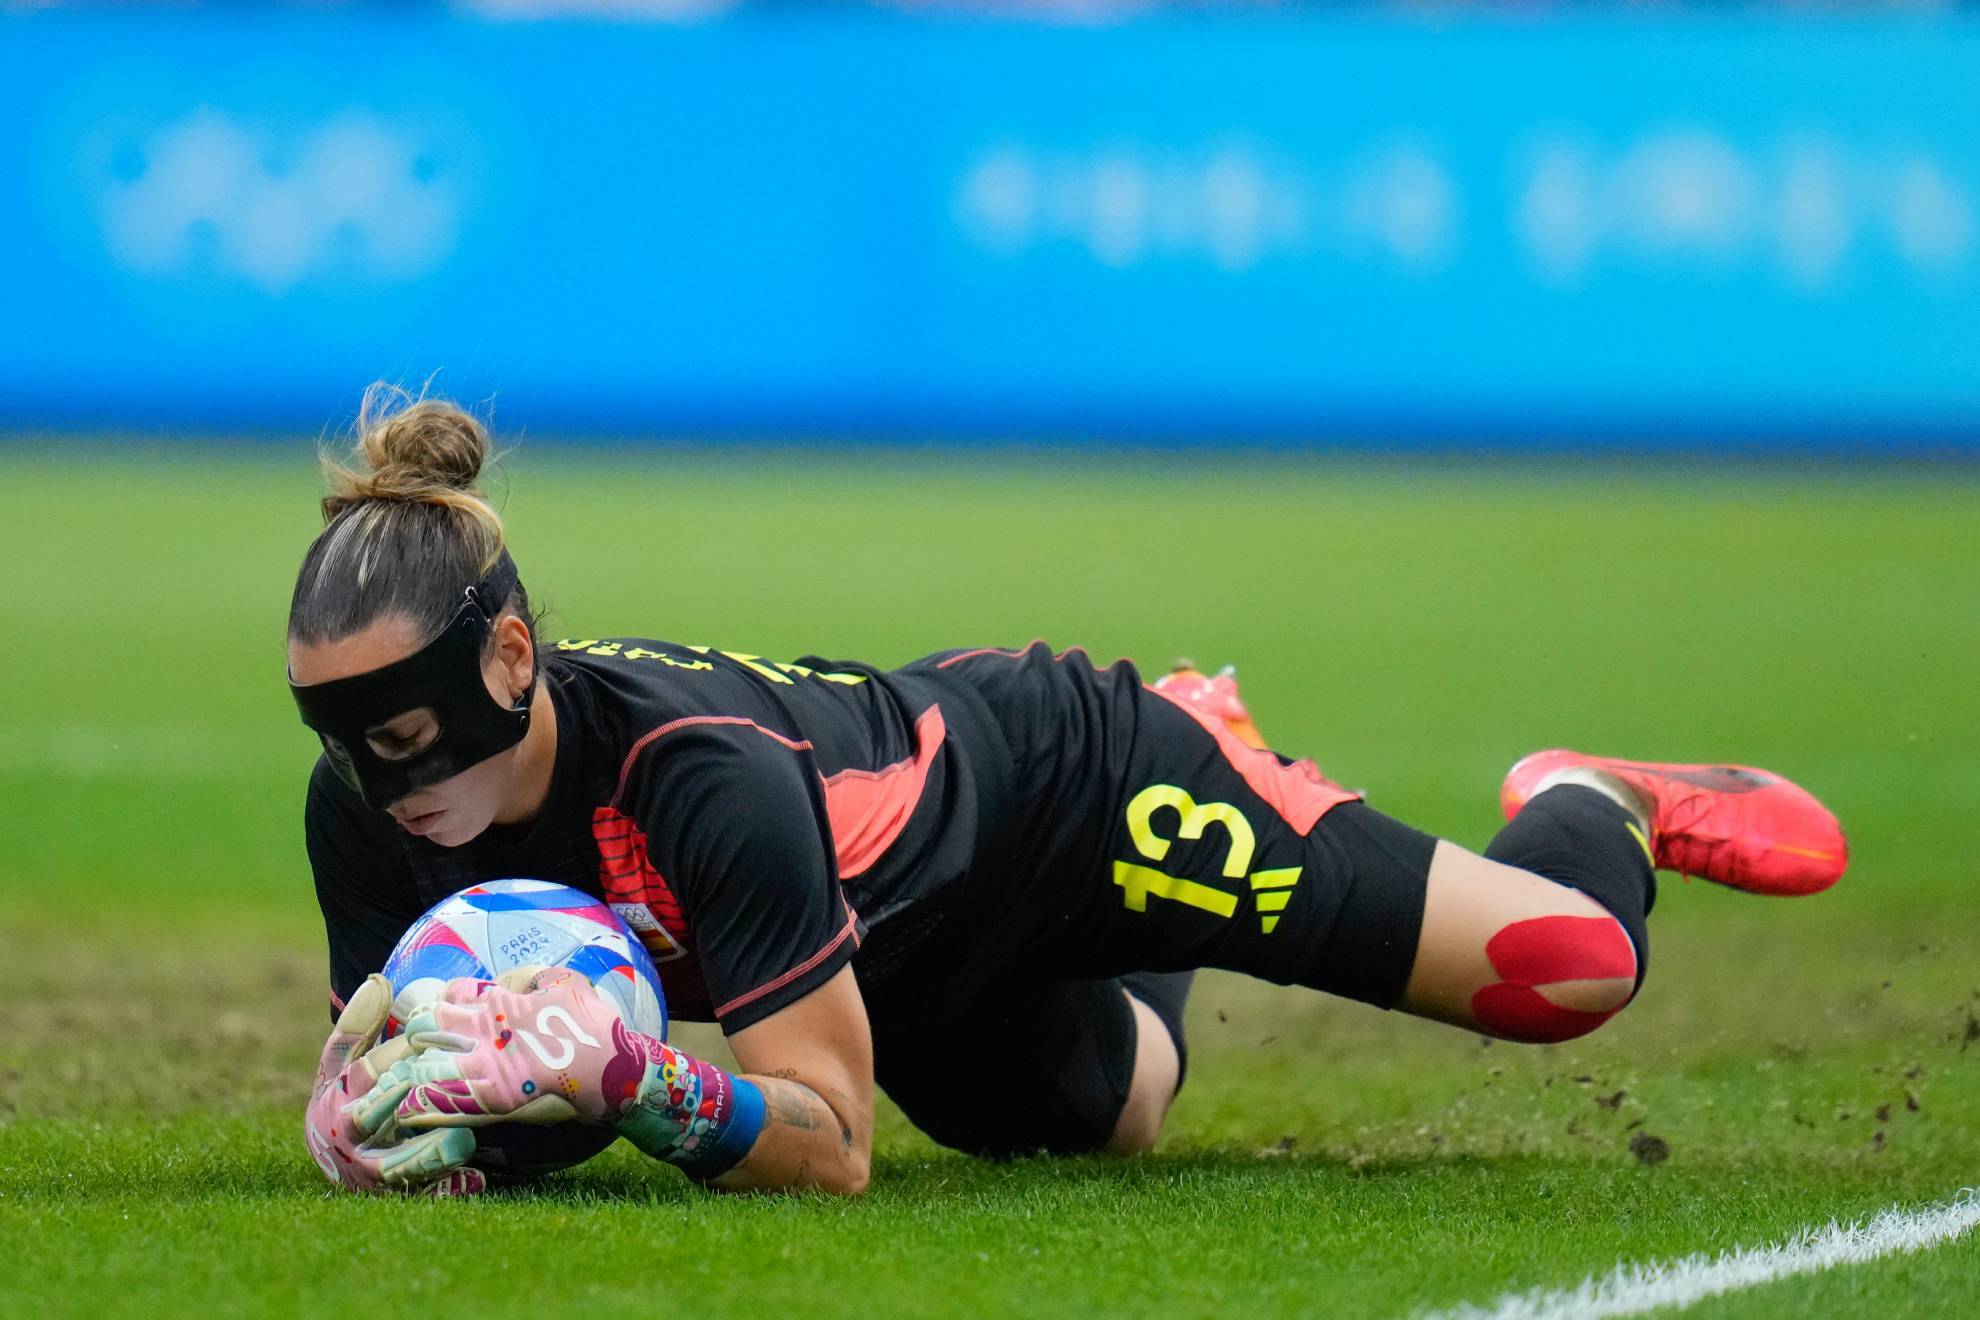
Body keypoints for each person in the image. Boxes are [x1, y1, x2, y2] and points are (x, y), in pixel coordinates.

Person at [292, 387, 1848, 1198]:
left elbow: (832, 1148)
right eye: (348, 741)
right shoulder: (363, 814)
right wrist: (367, 1120)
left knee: (1565, 972)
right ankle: (1151, 877)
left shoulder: (697, 778)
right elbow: (418, 1067)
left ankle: (1592, 795)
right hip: (912, 943)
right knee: (1104, 1125)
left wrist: (644, 1085)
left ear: (509, 657)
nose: (387, 784)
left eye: (411, 734)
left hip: (1074, 786)